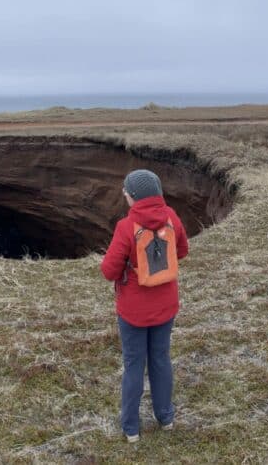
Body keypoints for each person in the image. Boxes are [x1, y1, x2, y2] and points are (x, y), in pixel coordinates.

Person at [100, 169, 189, 443]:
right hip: (166, 307)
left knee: (134, 365)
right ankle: (165, 418)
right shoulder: (171, 217)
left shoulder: (126, 227)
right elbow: (182, 250)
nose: (124, 194)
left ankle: (131, 428)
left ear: (133, 196)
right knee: (161, 360)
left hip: (133, 312)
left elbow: (109, 270)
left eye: (126, 191)